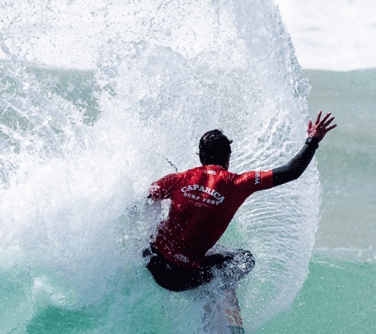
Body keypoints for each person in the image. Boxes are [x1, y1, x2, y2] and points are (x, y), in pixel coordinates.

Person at [144, 111, 336, 293]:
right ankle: (216, 292)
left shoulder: (177, 179)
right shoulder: (238, 184)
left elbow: (143, 201)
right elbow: (291, 171)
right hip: (181, 279)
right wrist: (313, 140)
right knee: (245, 259)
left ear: (201, 157)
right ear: (228, 158)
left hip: (152, 262)